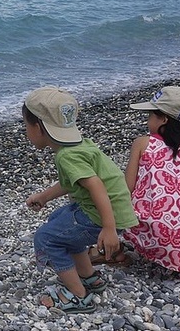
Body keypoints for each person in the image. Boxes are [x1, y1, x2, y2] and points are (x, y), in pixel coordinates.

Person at [23, 86, 139, 313]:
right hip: (107, 210)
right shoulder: (78, 145)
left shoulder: (67, 155)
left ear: (38, 127)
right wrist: (44, 197)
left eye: (26, 126)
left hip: (103, 216)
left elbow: (95, 185)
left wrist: (109, 228)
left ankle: (77, 295)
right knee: (58, 219)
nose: (26, 131)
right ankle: (89, 278)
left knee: (47, 238)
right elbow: (72, 182)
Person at [117, 86, 180, 275]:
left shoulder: (143, 143)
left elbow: (126, 190)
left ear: (164, 119)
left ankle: (129, 248)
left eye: (150, 115)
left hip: (151, 238)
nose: (148, 120)